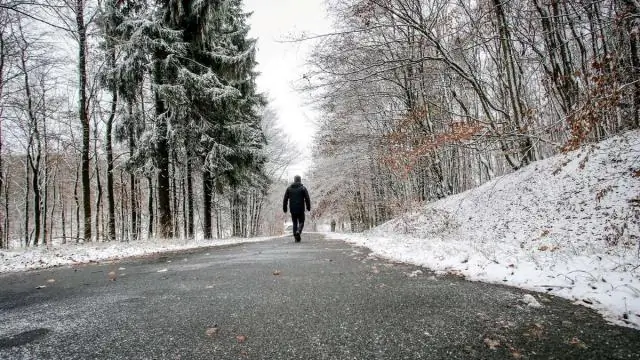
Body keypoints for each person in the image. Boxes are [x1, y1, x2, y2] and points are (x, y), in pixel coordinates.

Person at [283, 175, 311, 242]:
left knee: (294, 222)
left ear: (294, 180)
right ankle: (298, 231)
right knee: (301, 221)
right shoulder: (303, 188)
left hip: (292, 209)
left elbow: (285, 199)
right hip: (301, 208)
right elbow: (307, 198)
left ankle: (296, 236)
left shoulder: (289, 188)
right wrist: (308, 207)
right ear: (300, 180)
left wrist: (285, 208)